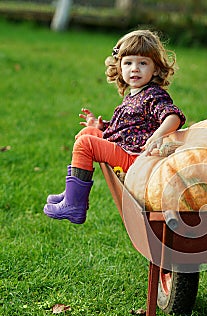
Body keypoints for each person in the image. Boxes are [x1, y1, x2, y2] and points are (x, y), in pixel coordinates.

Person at [44, 29, 185, 224]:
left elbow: (172, 116)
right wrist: (102, 127)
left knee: (86, 144)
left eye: (142, 63)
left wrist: (157, 135)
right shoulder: (134, 94)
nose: (134, 69)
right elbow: (130, 128)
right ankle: (73, 194)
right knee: (88, 132)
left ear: (156, 69)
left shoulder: (154, 95)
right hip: (126, 147)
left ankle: (75, 206)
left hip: (135, 157)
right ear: (119, 67)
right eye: (128, 63)